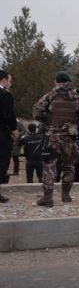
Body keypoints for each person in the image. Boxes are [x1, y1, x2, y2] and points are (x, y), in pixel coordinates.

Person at [32, 71, 79, 207]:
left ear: (57, 81)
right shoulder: (77, 96)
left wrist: (47, 120)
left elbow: (36, 112)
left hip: (53, 136)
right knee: (69, 166)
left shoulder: (51, 95)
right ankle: (66, 195)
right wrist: (72, 123)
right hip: (69, 136)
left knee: (49, 166)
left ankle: (48, 197)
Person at [0, 70, 18, 202]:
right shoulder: (5, 95)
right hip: (2, 134)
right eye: (10, 81)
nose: (10, 84)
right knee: (2, 162)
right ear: (3, 80)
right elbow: (9, 115)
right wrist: (13, 129)